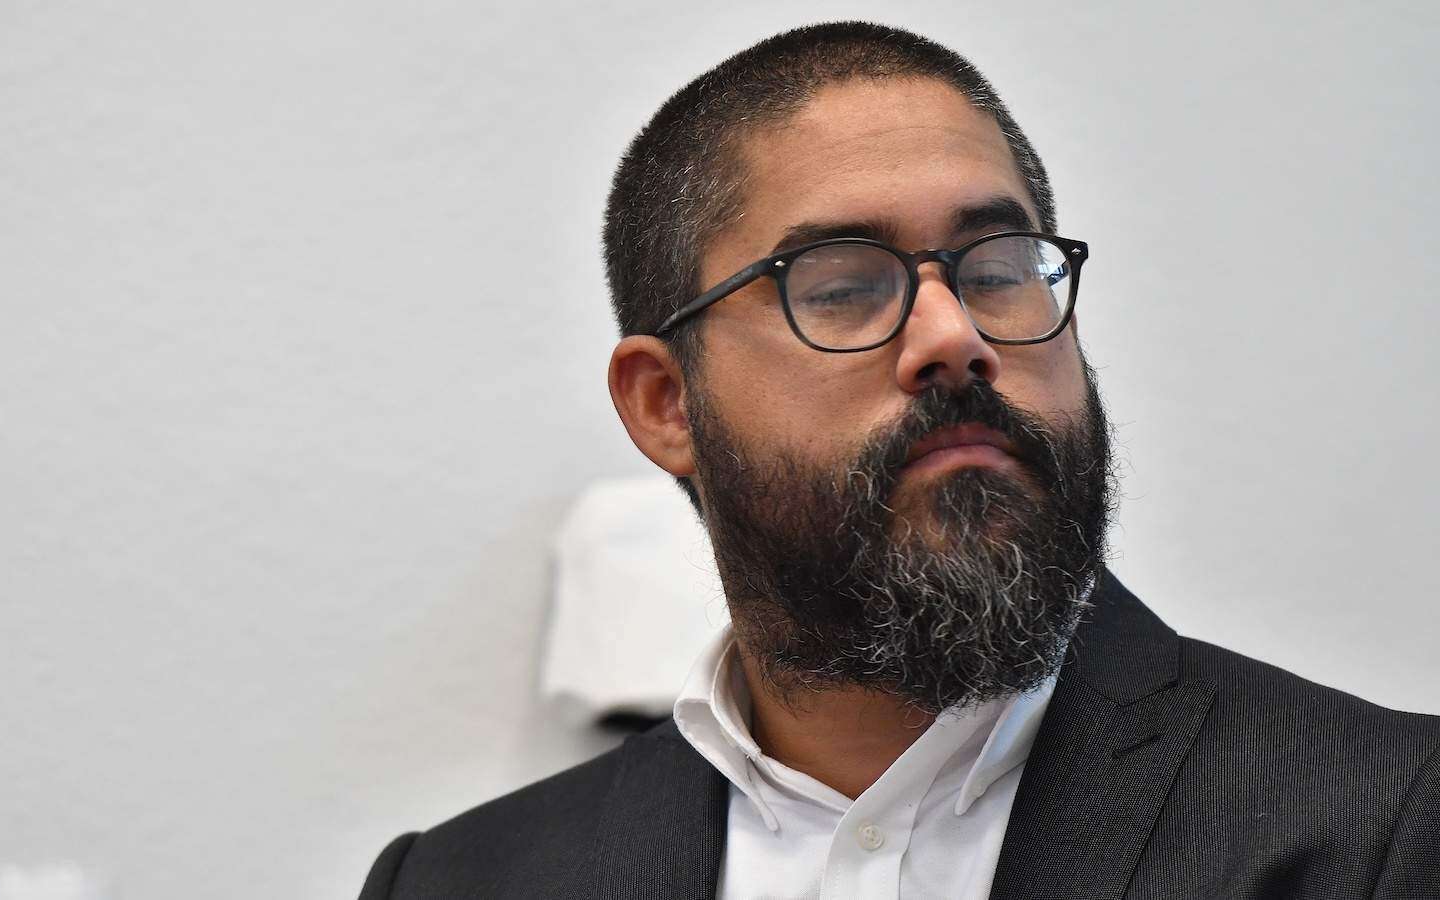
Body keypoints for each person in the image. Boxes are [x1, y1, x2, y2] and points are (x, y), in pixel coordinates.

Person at [358, 21, 1440, 899]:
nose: (953, 337)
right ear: (665, 403)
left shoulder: (1384, 827)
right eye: (842, 285)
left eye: (998, 267)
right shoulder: (457, 883)